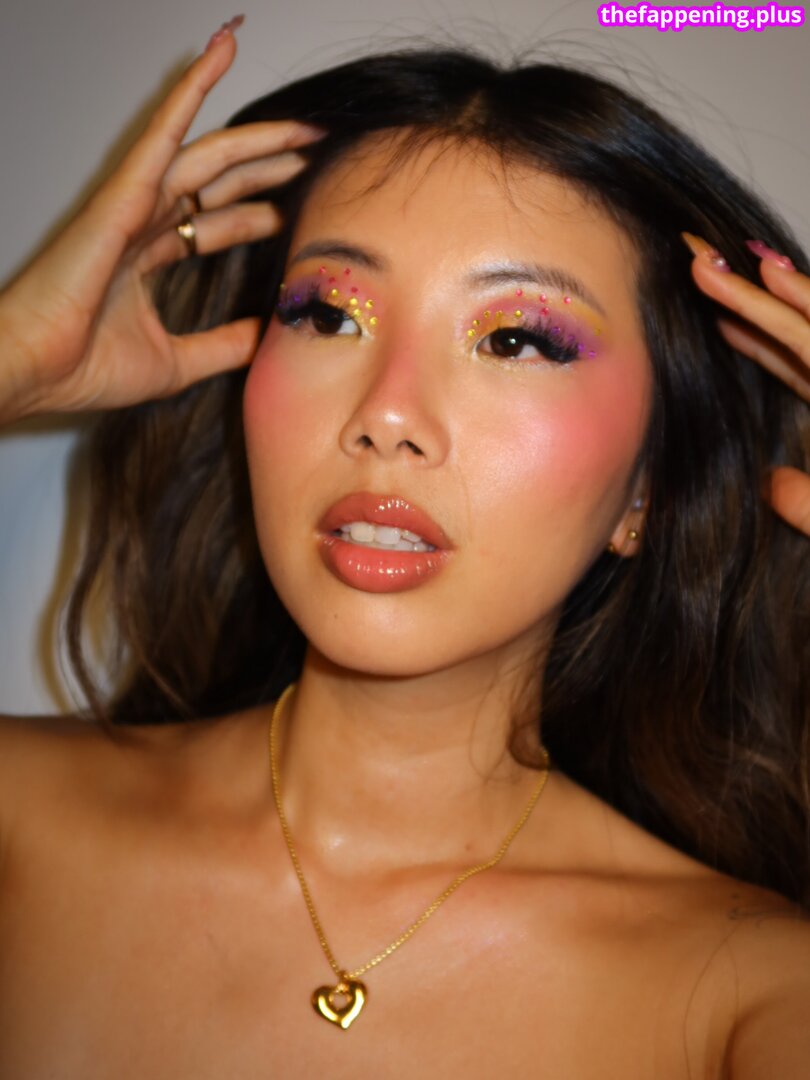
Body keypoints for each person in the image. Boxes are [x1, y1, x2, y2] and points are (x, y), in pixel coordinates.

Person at [1, 18, 809, 1077]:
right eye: (330, 315)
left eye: (514, 339)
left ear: (645, 489)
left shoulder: (752, 993)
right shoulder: (21, 821)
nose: (387, 414)